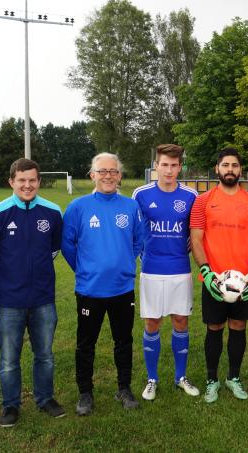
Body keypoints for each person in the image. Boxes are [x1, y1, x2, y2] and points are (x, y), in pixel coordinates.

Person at [0, 158, 66, 427]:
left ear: (39, 182)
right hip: (9, 300)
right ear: (11, 182)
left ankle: (45, 398)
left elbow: (54, 249)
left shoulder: (52, 212)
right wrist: (11, 275)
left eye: (32, 180)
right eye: (22, 180)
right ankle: (10, 405)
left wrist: (34, 272)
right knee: (8, 358)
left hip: (42, 298)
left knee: (45, 355)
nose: (27, 185)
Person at [62, 152, 144, 415]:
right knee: (86, 343)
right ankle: (85, 393)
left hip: (122, 289)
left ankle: (124, 388)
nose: (108, 176)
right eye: (102, 171)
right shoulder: (78, 207)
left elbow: (138, 241)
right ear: (92, 175)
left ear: (120, 176)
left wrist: (123, 265)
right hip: (90, 290)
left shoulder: (130, 207)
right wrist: (86, 270)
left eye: (113, 171)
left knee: (123, 341)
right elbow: (67, 245)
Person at [190, 147, 248, 404]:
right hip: (215, 279)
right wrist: (206, 272)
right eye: (225, 165)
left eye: (234, 165)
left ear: (240, 169)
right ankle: (212, 380)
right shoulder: (202, 201)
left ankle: (233, 377)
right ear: (217, 169)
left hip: (243, 280)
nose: (230, 169)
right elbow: (196, 239)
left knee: (238, 326)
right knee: (214, 328)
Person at [131, 144, 200, 400]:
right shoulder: (140, 194)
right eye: (164, 165)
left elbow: (196, 231)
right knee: (152, 323)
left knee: (181, 321)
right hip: (151, 269)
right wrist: (143, 254)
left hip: (180, 269)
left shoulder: (191, 196)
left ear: (180, 167)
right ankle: (152, 379)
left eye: (174, 165)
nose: (169, 170)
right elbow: (134, 231)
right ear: (156, 166)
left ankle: (180, 377)